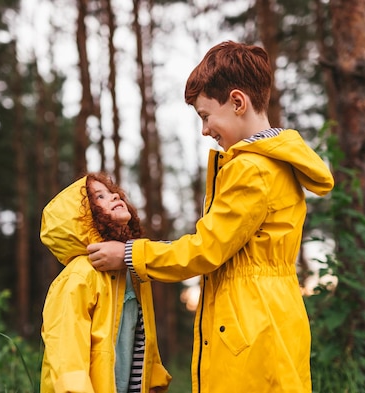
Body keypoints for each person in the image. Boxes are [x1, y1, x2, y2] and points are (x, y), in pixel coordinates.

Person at [87, 41, 334, 393]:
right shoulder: (275, 163)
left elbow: (205, 249)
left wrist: (128, 255)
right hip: (273, 317)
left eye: (205, 116)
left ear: (237, 102)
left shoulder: (250, 168)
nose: (204, 130)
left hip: (249, 324)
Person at [39, 172, 171, 393]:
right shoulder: (80, 276)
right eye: (99, 197)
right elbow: (66, 356)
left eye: (112, 193)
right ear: (82, 219)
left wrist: (154, 379)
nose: (114, 197)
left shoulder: (133, 270)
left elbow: (144, 335)